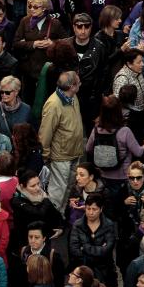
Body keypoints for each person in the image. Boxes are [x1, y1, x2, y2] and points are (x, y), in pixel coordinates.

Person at [38, 71, 84, 212]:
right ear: (71, 86)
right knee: (58, 192)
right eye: (78, 82)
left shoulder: (73, 97)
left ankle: (61, 218)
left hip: (74, 152)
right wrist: (45, 155)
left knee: (68, 189)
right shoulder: (53, 105)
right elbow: (45, 133)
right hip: (60, 156)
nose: (80, 83)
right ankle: (53, 222)